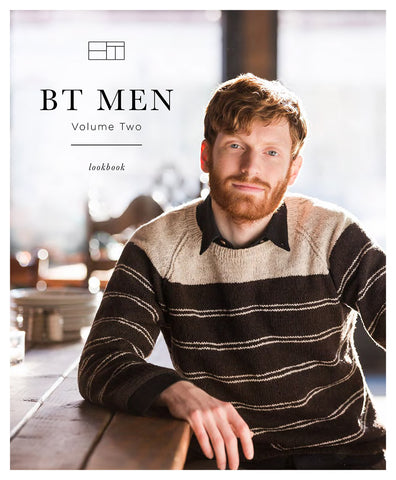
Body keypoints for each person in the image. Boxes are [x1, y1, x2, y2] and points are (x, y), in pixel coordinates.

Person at [78, 73, 386, 470]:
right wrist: (176, 390)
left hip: (341, 456)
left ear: (293, 170)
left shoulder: (331, 233)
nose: (250, 168)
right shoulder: (154, 246)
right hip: (224, 460)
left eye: (271, 153)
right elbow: (101, 360)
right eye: (236, 146)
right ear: (206, 156)